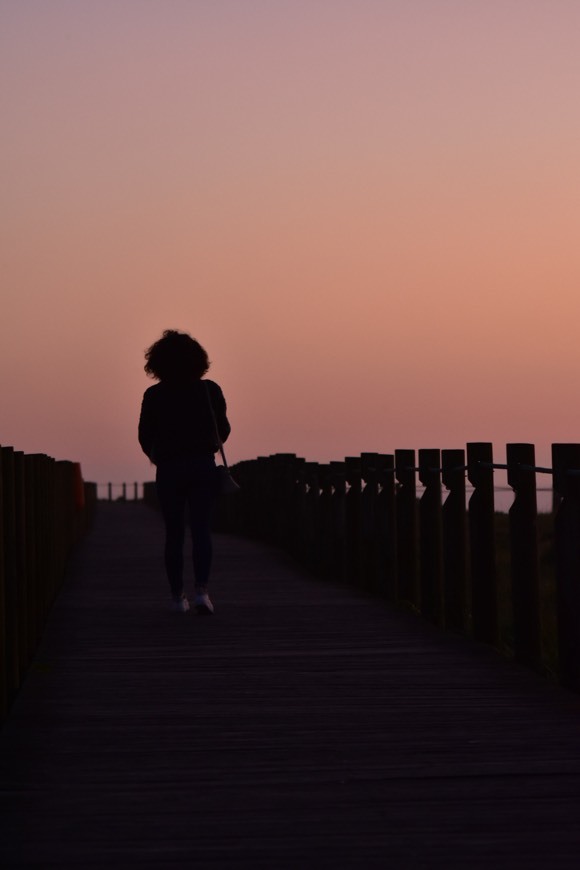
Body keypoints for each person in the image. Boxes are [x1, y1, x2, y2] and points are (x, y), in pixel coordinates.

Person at [138, 330, 231, 614]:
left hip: (169, 469)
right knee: (201, 529)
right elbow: (223, 430)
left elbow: (144, 436)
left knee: (174, 533)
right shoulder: (209, 390)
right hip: (202, 465)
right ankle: (202, 592)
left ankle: (178, 597)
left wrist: (158, 456)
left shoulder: (154, 395)